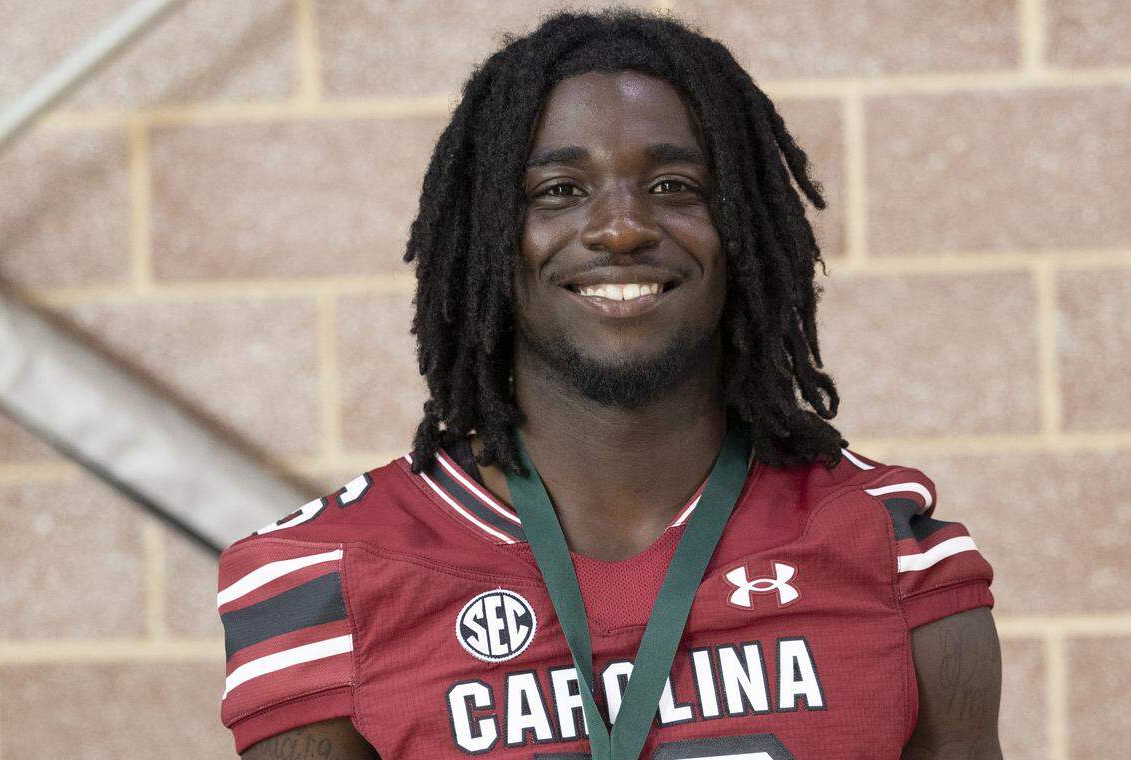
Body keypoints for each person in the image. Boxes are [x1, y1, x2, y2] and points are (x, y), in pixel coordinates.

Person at [216, 8, 1001, 759]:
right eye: (558, 191)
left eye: (673, 188)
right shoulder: (321, 579)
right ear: (487, 235)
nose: (622, 228)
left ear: (744, 228)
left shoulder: (895, 552)